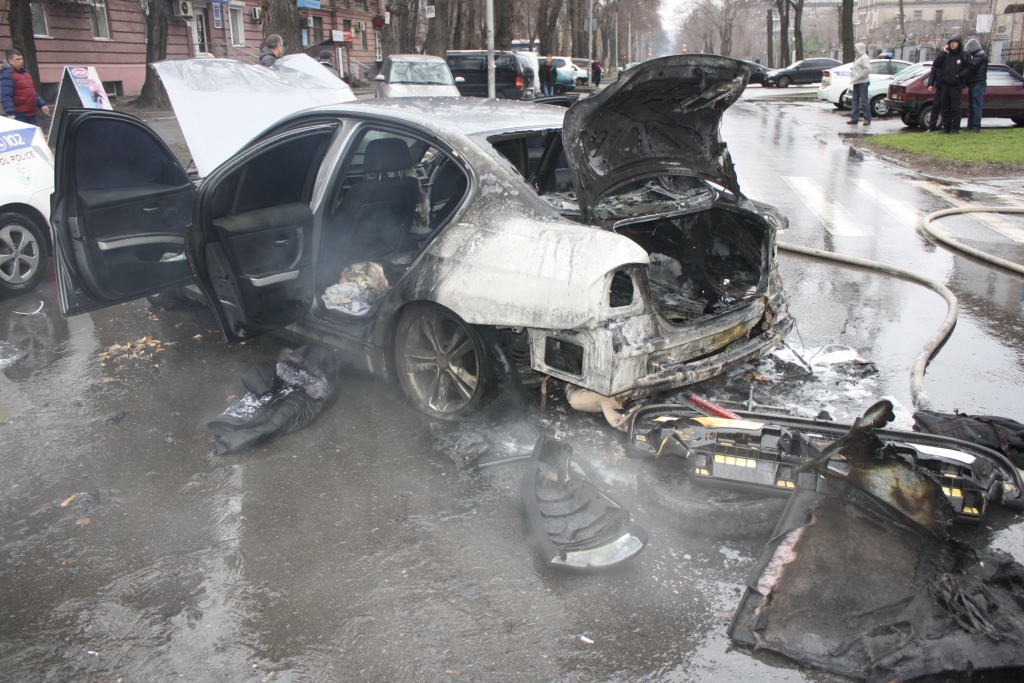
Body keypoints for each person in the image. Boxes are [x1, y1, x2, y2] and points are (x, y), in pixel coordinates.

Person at [928, 35, 971, 134]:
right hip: (945, 84)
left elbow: (970, 67)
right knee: (945, 107)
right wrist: (943, 52)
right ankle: (946, 127)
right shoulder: (946, 54)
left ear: (959, 43)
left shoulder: (964, 54)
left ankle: (955, 128)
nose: (952, 44)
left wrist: (959, 76)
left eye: (955, 42)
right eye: (951, 42)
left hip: (956, 85)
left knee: (955, 107)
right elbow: (936, 64)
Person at [1, 49, 49, 125]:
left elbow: (32, 92)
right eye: (18, 59)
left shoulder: (25, 74)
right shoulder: (8, 75)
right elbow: (6, 96)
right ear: (10, 61)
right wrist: (10, 113)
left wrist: (42, 105)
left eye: (22, 58)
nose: (21, 61)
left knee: (37, 132)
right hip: (18, 115)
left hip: (31, 114)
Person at [964, 38, 988, 133]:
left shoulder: (980, 56)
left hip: (978, 83)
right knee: (971, 106)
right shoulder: (978, 55)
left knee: (976, 106)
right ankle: (970, 125)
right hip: (974, 83)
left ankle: (976, 126)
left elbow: (971, 67)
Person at [847, 42, 872, 126]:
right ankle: (854, 118)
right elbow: (860, 68)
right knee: (855, 101)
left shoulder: (864, 58)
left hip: (862, 82)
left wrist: (858, 75)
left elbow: (867, 69)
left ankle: (867, 118)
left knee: (864, 101)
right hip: (856, 81)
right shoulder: (858, 57)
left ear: (860, 49)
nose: (855, 50)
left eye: (856, 48)